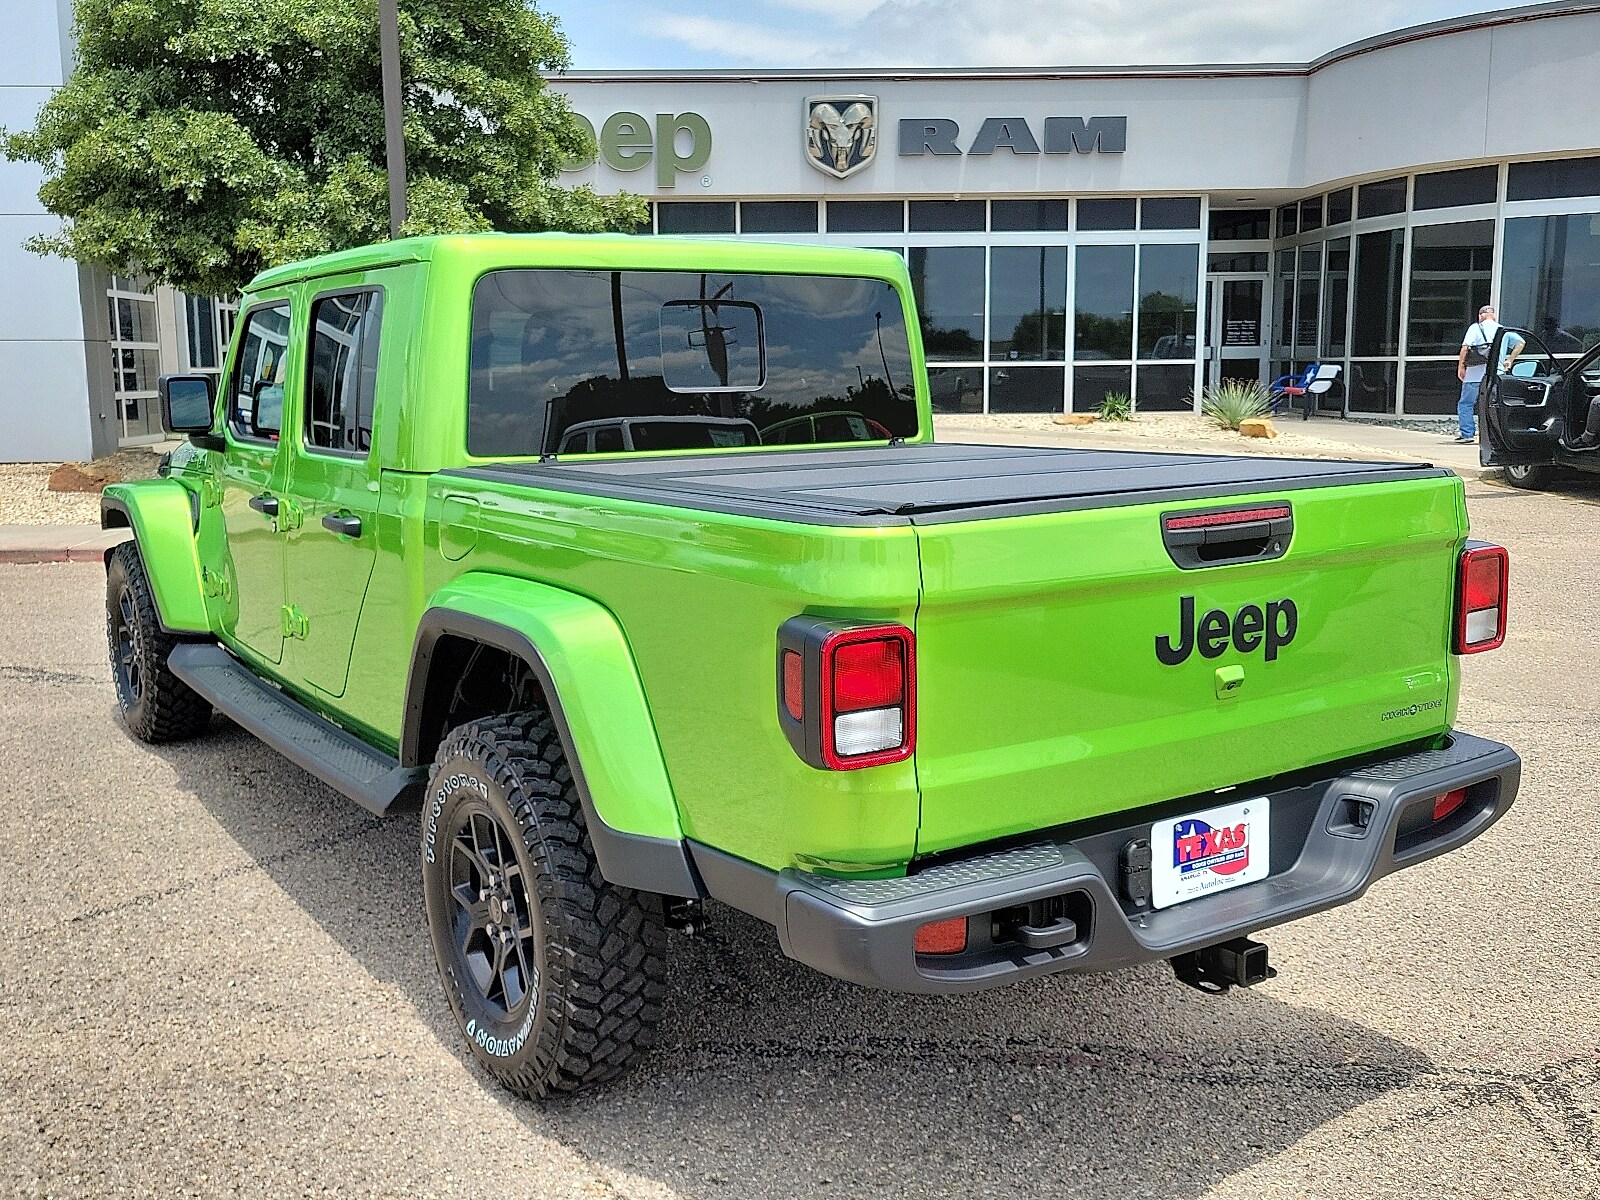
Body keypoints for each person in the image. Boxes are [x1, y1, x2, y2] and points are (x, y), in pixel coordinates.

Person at [1455, 305, 1521, 443]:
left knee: (1466, 404)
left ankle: (1467, 434)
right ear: (1494, 316)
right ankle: (1494, 436)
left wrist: (1461, 367)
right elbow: (1521, 343)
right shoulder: (1503, 330)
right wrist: (1510, 360)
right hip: (1495, 375)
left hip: (1474, 375)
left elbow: (1465, 348)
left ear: (1480, 316)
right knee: (1493, 405)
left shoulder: (1475, 328)